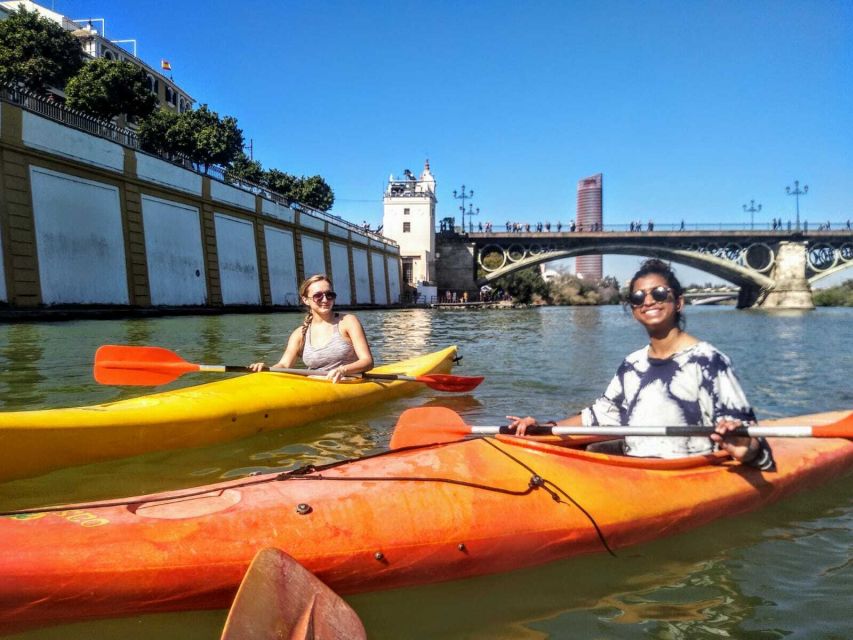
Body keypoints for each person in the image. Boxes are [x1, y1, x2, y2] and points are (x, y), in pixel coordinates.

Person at [508, 259, 774, 470]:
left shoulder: (709, 361)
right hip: (635, 471)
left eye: (659, 293)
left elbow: (743, 433)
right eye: (638, 297)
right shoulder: (632, 365)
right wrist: (543, 427)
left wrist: (746, 448)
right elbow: (600, 417)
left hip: (687, 472)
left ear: (678, 302)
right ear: (634, 311)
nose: (648, 301)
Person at [250, 274, 373, 383]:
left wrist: (343, 370)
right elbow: (284, 364)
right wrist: (265, 369)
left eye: (329, 295)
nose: (325, 300)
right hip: (313, 385)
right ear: (305, 300)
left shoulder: (348, 321)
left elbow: (367, 361)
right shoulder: (299, 334)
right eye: (318, 296)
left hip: (346, 382)